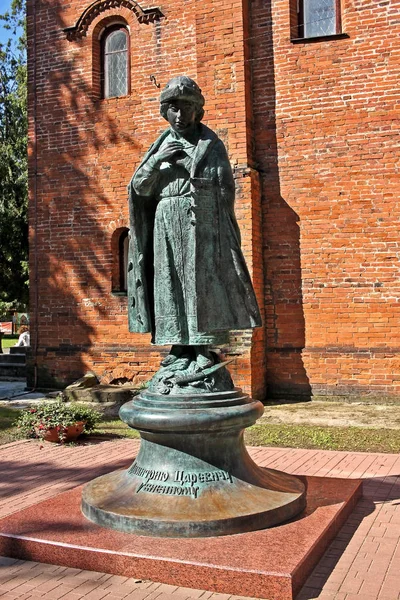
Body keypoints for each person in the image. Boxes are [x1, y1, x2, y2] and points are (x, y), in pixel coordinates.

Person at [127, 76, 261, 372]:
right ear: (165, 111)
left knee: (200, 284)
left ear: (197, 111)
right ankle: (178, 347)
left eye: (185, 108)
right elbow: (139, 187)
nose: (179, 115)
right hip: (165, 221)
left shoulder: (210, 144)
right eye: (172, 108)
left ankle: (202, 347)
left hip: (202, 224)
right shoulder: (160, 145)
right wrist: (157, 161)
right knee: (169, 284)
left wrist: (213, 214)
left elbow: (226, 186)